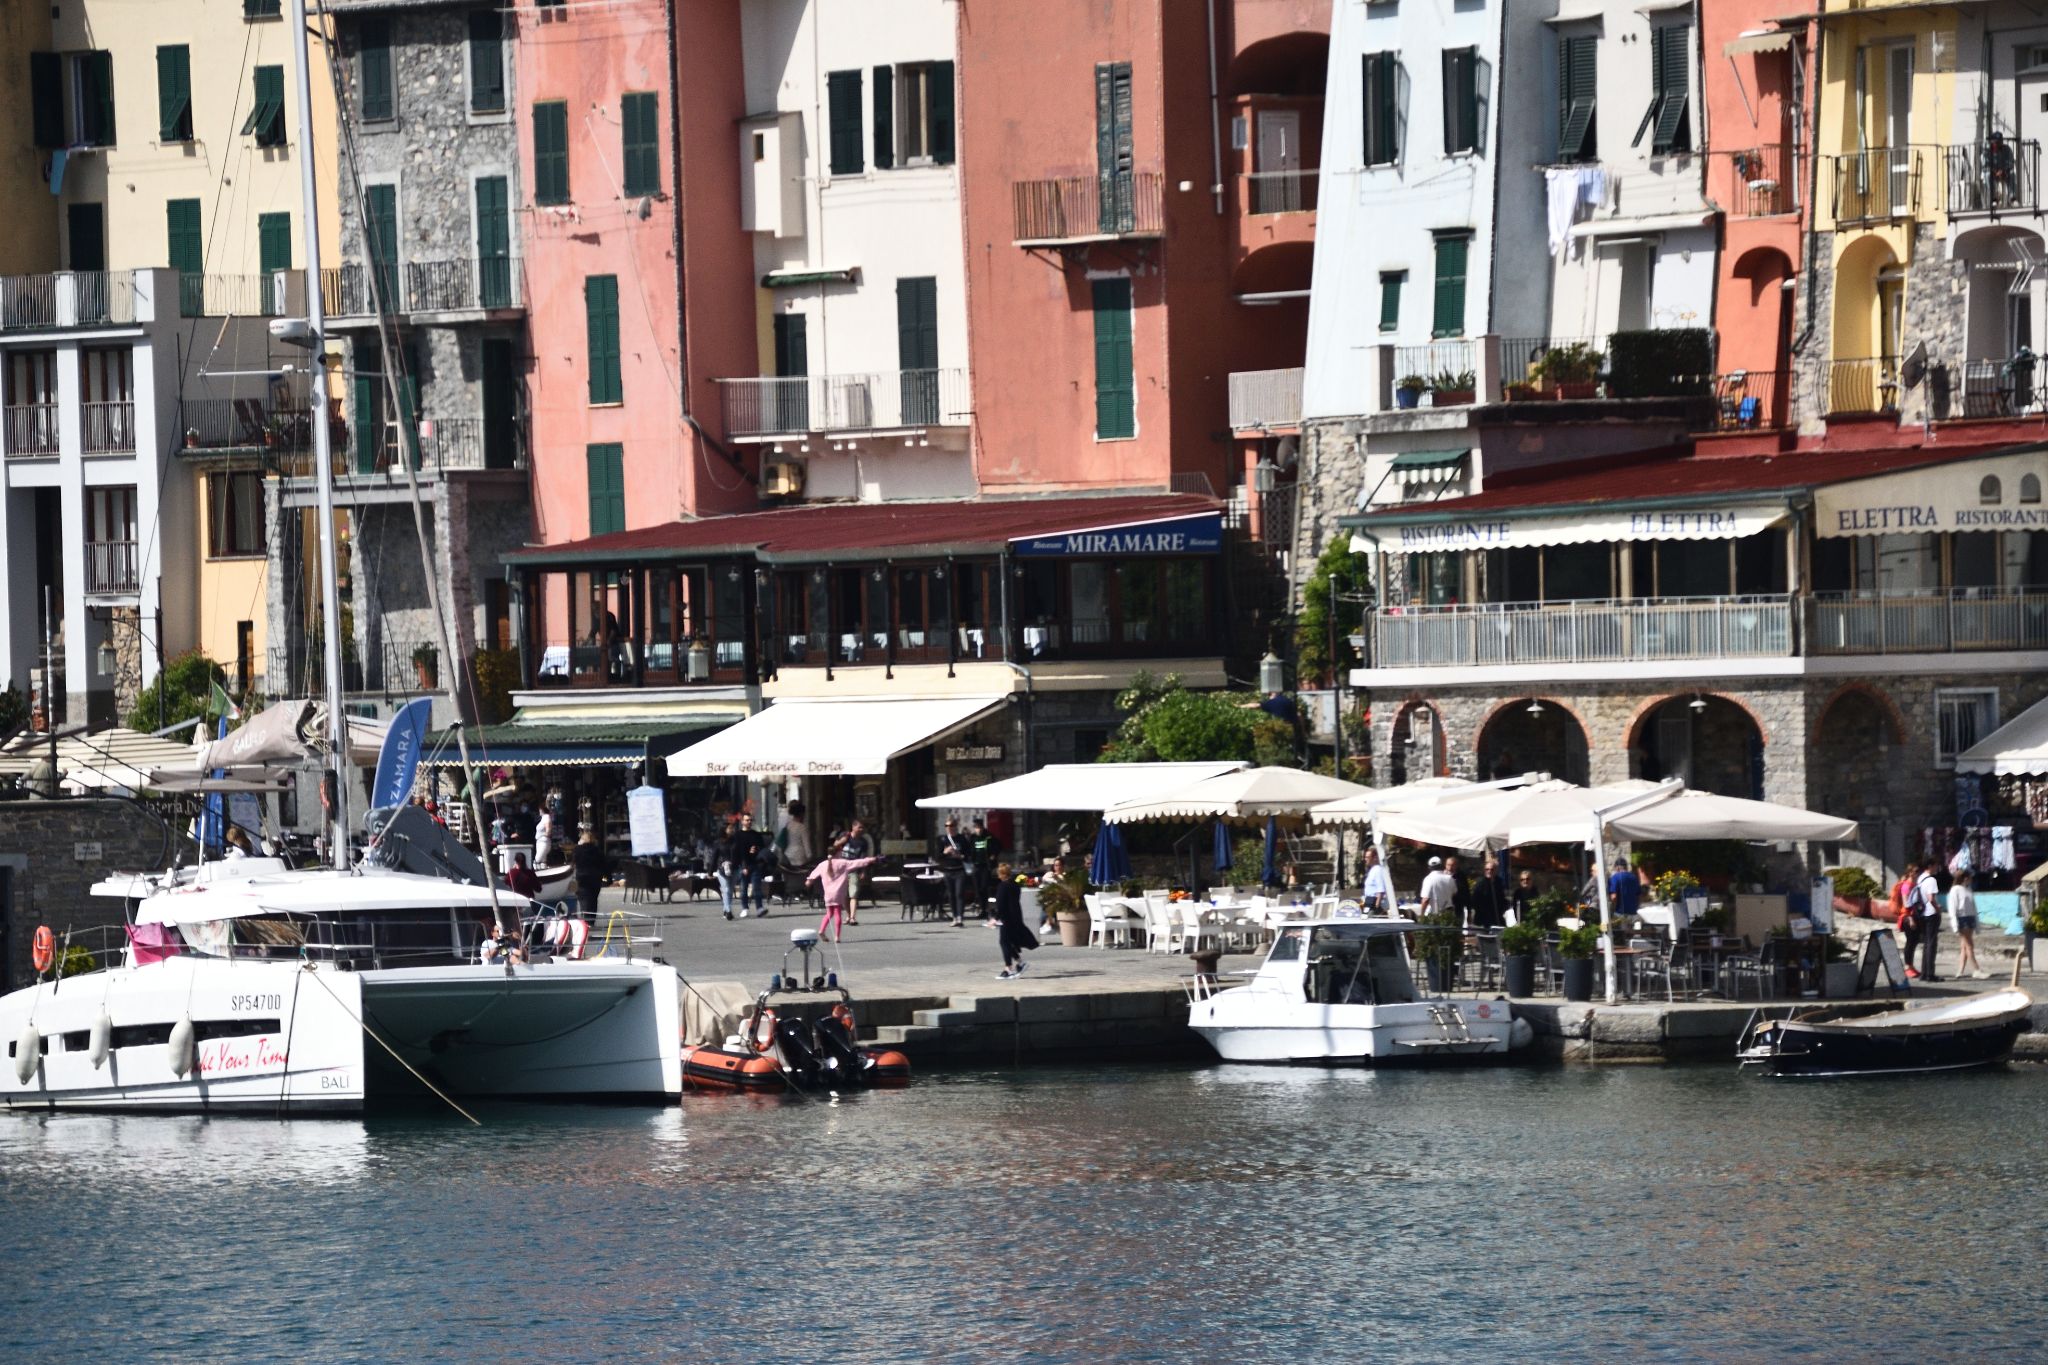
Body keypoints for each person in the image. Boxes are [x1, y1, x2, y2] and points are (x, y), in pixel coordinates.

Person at [807, 838, 879, 944]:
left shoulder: (823, 864)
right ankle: (837, 936)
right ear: (838, 852)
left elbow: (813, 874)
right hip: (838, 893)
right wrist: (870, 859)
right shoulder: (843, 863)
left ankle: (822, 929)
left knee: (829, 913)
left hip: (828, 894)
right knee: (837, 913)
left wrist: (809, 880)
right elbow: (858, 862)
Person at [990, 861, 1039, 979]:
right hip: (1015, 917)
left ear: (1001, 874)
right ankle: (1020, 962)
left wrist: (995, 918)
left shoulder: (1003, 886)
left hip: (1006, 918)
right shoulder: (1014, 885)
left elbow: (1001, 905)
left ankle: (1008, 968)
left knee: (1004, 942)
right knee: (1009, 942)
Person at [1950, 848, 1986, 979]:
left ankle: (1960, 970)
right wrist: (1954, 923)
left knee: (1965, 946)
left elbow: (1973, 906)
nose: (1971, 880)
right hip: (1962, 919)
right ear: (1965, 878)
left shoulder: (1968, 889)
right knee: (1969, 944)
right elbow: (1953, 908)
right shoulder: (1955, 890)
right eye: (1969, 878)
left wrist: (1977, 923)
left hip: (1970, 918)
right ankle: (1976, 969)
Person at [937, 815, 975, 927]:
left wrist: (960, 856)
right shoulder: (942, 839)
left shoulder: (962, 839)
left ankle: (960, 917)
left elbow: (969, 854)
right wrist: (945, 852)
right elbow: (938, 856)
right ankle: (954, 917)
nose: (949, 828)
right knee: (951, 894)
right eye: (947, 826)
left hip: (959, 871)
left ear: (955, 826)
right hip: (948, 871)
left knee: (959, 893)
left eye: (952, 826)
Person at [730, 811, 769, 916]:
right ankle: (745, 908)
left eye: (750, 820)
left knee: (757, 888)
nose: (749, 822)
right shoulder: (738, 835)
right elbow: (737, 852)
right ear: (742, 821)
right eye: (747, 820)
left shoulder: (756, 835)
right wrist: (743, 866)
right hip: (743, 865)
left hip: (755, 864)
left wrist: (756, 849)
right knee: (744, 888)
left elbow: (762, 848)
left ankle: (759, 908)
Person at [838, 819, 873, 926]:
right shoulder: (844, 835)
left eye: (863, 828)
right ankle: (848, 915)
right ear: (853, 827)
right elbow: (835, 846)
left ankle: (852, 917)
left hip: (854, 870)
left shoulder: (863, 842)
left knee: (854, 894)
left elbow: (863, 857)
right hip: (841, 869)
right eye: (859, 827)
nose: (861, 830)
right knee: (843, 895)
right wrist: (843, 839)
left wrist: (863, 871)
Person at [1914, 857, 1944, 981]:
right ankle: (1930, 974)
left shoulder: (1920, 878)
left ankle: (1924, 972)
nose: (1937, 868)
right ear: (1930, 866)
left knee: (1926, 943)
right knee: (1931, 944)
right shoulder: (1931, 880)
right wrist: (1937, 908)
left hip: (1922, 913)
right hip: (1931, 913)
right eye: (1936, 865)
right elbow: (1931, 898)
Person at [968, 817, 1004, 918]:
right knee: (978, 889)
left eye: (979, 827)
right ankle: (982, 909)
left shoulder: (989, 836)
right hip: (976, 865)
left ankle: (987, 909)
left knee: (984, 887)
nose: (978, 830)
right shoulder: (972, 838)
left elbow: (999, 846)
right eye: (976, 828)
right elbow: (969, 849)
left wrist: (993, 855)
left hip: (986, 866)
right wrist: (970, 858)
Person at [572, 829, 607, 919]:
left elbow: (574, 862)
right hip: (595, 877)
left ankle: (585, 917)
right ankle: (591, 919)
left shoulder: (577, 850)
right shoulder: (598, 851)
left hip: (581, 877)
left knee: (583, 898)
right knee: (593, 899)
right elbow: (603, 865)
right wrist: (608, 877)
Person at [1469, 855, 1507, 929]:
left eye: (1492, 869)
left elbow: (1502, 898)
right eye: (1487, 869)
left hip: (1496, 917)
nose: (1489, 871)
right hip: (1483, 918)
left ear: (1496, 870)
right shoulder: (1480, 883)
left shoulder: (1499, 882)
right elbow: (1474, 900)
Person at [713, 819, 740, 920]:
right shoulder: (718, 842)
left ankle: (725, 910)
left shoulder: (736, 841)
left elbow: (740, 855)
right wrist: (710, 872)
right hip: (722, 869)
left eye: (732, 828)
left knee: (729, 890)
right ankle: (728, 911)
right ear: (724, 830)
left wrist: (743, 865)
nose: (732, 830)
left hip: (734, 869)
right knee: (726, 889)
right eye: (730, 828)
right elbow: (714, 857)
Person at [776, 799, 814, 870]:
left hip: (788, 854)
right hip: (800, 856)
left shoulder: (788, 825)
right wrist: (810, 856)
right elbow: (806, 845)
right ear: (801, 814)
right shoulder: (802, 828)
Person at [1360, 847, 1395, 915]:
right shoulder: (1371, 870)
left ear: (1375, 858)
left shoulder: (1378, 870)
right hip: (1368, 901)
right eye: (1365, 857)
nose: (1365, 859)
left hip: (1374, 902)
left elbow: (1381, 890)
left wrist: (1376, 906)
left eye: (1368, 857)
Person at [1607, 856, 1641, 920]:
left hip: (1620, 913)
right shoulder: (1634, 877)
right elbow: (1639, 896)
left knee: (1620, 930)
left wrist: (1612, 908)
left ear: (1617, 867)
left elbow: (1614, 897)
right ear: (1626, 867)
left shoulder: (1615, 878)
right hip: (1633, 913)